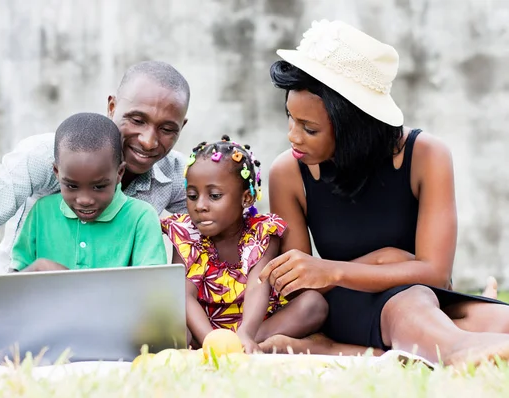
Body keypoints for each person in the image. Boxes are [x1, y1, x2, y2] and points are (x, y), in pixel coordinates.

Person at [256, 19, 509, 366]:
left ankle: (348, 351)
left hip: (427, 294)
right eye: (289, 117)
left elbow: (436, 274)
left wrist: (333, 269)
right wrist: (382, 260)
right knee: (409, 301)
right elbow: (301, 288)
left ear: (354, 126)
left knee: (497, 321)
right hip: (350, 304)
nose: (293, 136)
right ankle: (457, 354)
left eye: (309, 128)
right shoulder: (288, 173)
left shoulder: (426, 155)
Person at [0, 61, 189, 366]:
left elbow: (236, 214)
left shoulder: (178, 177)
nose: (149, 141)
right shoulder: (47, 155)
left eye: (167, 130)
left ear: (181, 129)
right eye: (137, 119)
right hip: (16, 317)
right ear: (112, 106)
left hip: (109, 332)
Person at [161, 136, 329, 353]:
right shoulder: (186, 234)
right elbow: (184, 295)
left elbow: (257, 286)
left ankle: (245, 343)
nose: (200, 206)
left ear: (247, 199)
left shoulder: (262, 233)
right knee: (173, 326)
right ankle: (235, 346)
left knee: (314, 304)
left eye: (214, 196)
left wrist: (246, 332)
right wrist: (211, 340)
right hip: (201, 327)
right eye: (192, 196)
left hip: (256, 324)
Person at [11, 112, 166, 272]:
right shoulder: (42, 211)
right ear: (57, 172)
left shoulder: (141, 217)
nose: (85, 200)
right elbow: (14, 282)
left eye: (99, 187)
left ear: (119, 173)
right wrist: (35, 269)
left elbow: (153, 287)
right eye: (72, 186)